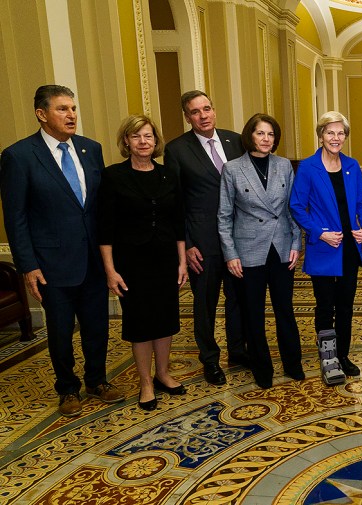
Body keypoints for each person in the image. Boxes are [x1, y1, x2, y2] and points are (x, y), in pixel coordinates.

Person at [0, 85, 124, 417]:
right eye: (62, 109)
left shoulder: (90, 149)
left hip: (93, 261)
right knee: (60, 330)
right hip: (51, 264)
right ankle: (67, 389)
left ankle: (97, 380)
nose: (71, 115)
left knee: (97, 325)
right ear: (41, 114)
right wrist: (28, 264)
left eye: (73, 108)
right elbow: (16, 217)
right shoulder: (19, 156)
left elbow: (98, 207)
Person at [99, 115, 187, 411]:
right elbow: (105, 229)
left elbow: (178, 223)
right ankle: (146, 382)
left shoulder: (168, 175)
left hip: (164, 259)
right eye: (136, 136)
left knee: (165, 320)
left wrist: (182, 262)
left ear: (155, 140)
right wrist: (110, 270)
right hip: (130, 263)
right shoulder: (113, 176)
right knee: (139, 323)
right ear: (126, 141)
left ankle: (162, 374)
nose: (143, 142)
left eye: (148, 136)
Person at [164, 90, 246, 386]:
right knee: (205, 304)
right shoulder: (176, 150)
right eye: (195, 112)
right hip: (203, 241)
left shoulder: (235, 140)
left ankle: (238, 350)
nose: (203, 115)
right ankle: (210, 359)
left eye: (207, 109)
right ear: (188, 117)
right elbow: (174, 202)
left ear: (214, 110)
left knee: (238, 299)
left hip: (239, 238)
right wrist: (185, 244)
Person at [218, 114, 305, 389]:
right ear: (250, 136)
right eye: (260, 133)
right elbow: (224, 216)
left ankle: (293, 364)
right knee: (253, 313)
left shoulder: (284, 166)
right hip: (248, 251)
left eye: (270, 134)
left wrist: (295, 244)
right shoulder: (232, 169)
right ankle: (261, 368)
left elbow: (293, 208)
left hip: (280, 248)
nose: (266, 139)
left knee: (285, 311)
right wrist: (230, 254)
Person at [290, 111, 362, 381]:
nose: (335, 138)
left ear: (345, 137)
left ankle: (343, 355)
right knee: (326, 306)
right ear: (321, 135)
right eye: (330, 132)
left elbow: (361, 203)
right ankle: (329, 358)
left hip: (349, 246)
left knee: (346, 305)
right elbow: (297, 206)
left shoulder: (352, 165)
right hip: (324, 246)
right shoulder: (308, 168)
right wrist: (319, 232)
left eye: (340, 133)